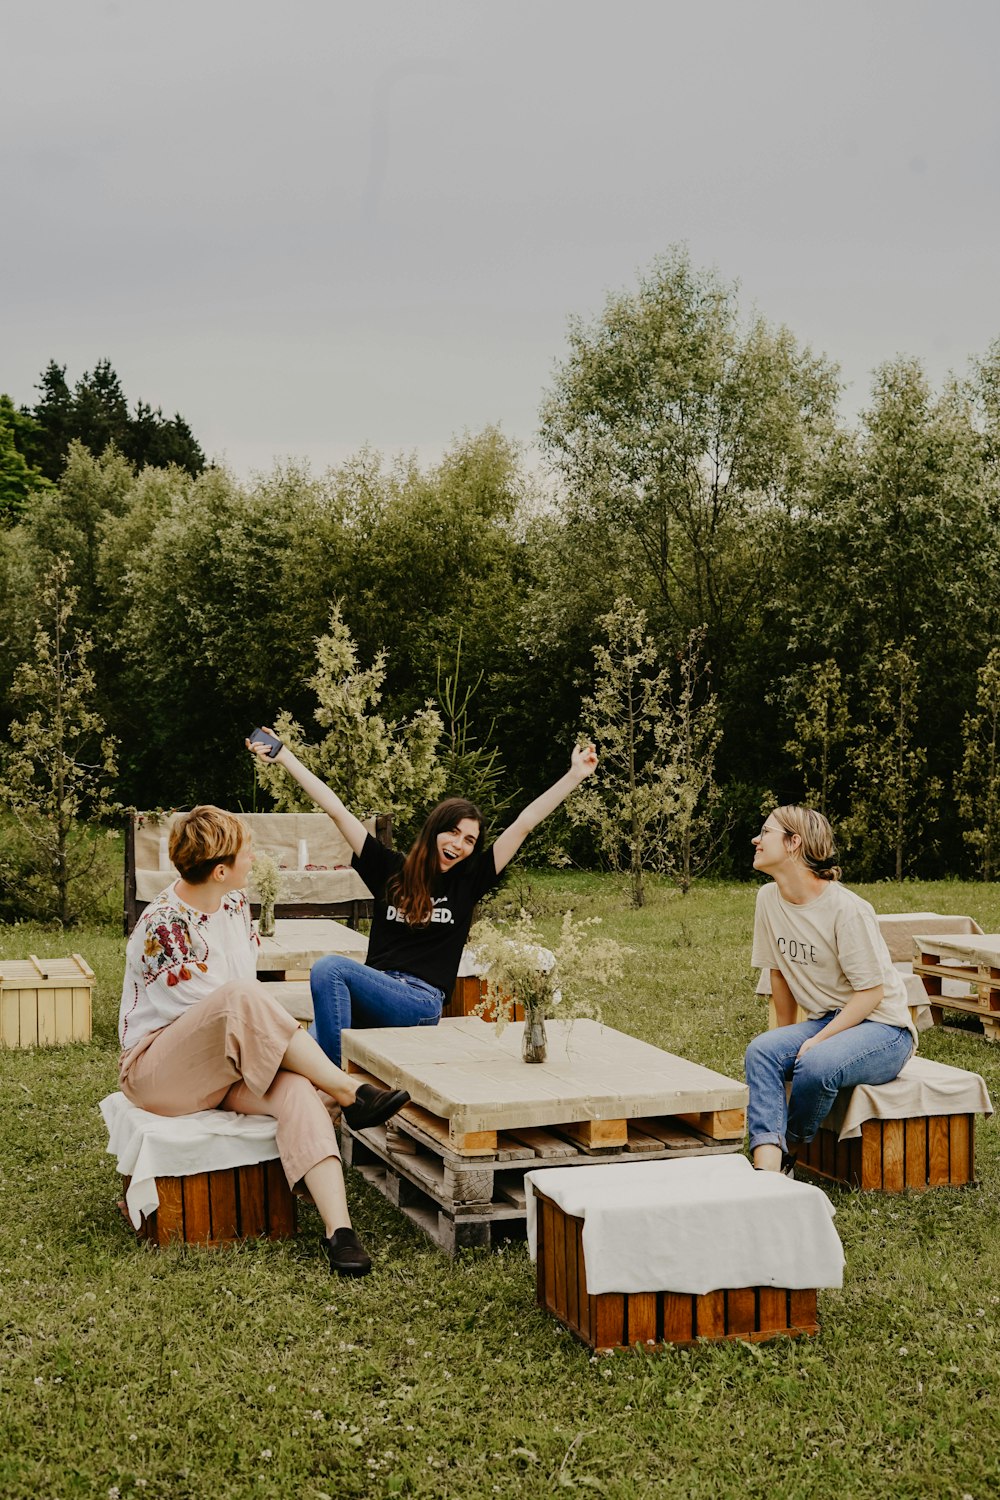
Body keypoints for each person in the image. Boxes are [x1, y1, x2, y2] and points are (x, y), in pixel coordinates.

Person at [117, 805, 410, 1276]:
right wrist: (291, 1057)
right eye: (246, 852)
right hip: (158, 1072)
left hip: (223, 1065)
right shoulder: (164, 927)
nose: (254, 858)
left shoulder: (233, 905)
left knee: (296, 1094)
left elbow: (245, 1020)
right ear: (219, 870)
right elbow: (216, 1015)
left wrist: (291, 1069)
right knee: (238, 999)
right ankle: (347, 1091)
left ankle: (340, 1233)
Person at [246, 732, 598, 1067]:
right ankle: (325, 1107)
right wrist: (286, 757)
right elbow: (336, 810)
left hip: (419, 1001)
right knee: (308, 1042)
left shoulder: (469, 879)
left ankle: (343, 1087)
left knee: (328, 969)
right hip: (376, 989)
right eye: (454, 832)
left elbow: (524, 823)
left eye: (470, 841)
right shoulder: (390, 869)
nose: (459, 844)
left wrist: (574, 775)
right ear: (435, 830)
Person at [745, 805, 916, 1174]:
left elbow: (871, 994)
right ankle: (765, 1171)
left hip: (884, 1030)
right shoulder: (767, 899)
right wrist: (785, 1041)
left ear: (794, 843)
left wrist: (818, 1040)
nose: (756, 840)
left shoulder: (847, 909)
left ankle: (788, 1150)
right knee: (762, 1051)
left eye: (766, 832)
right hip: (829, 1018)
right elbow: (780, 975)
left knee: (816, 1061)